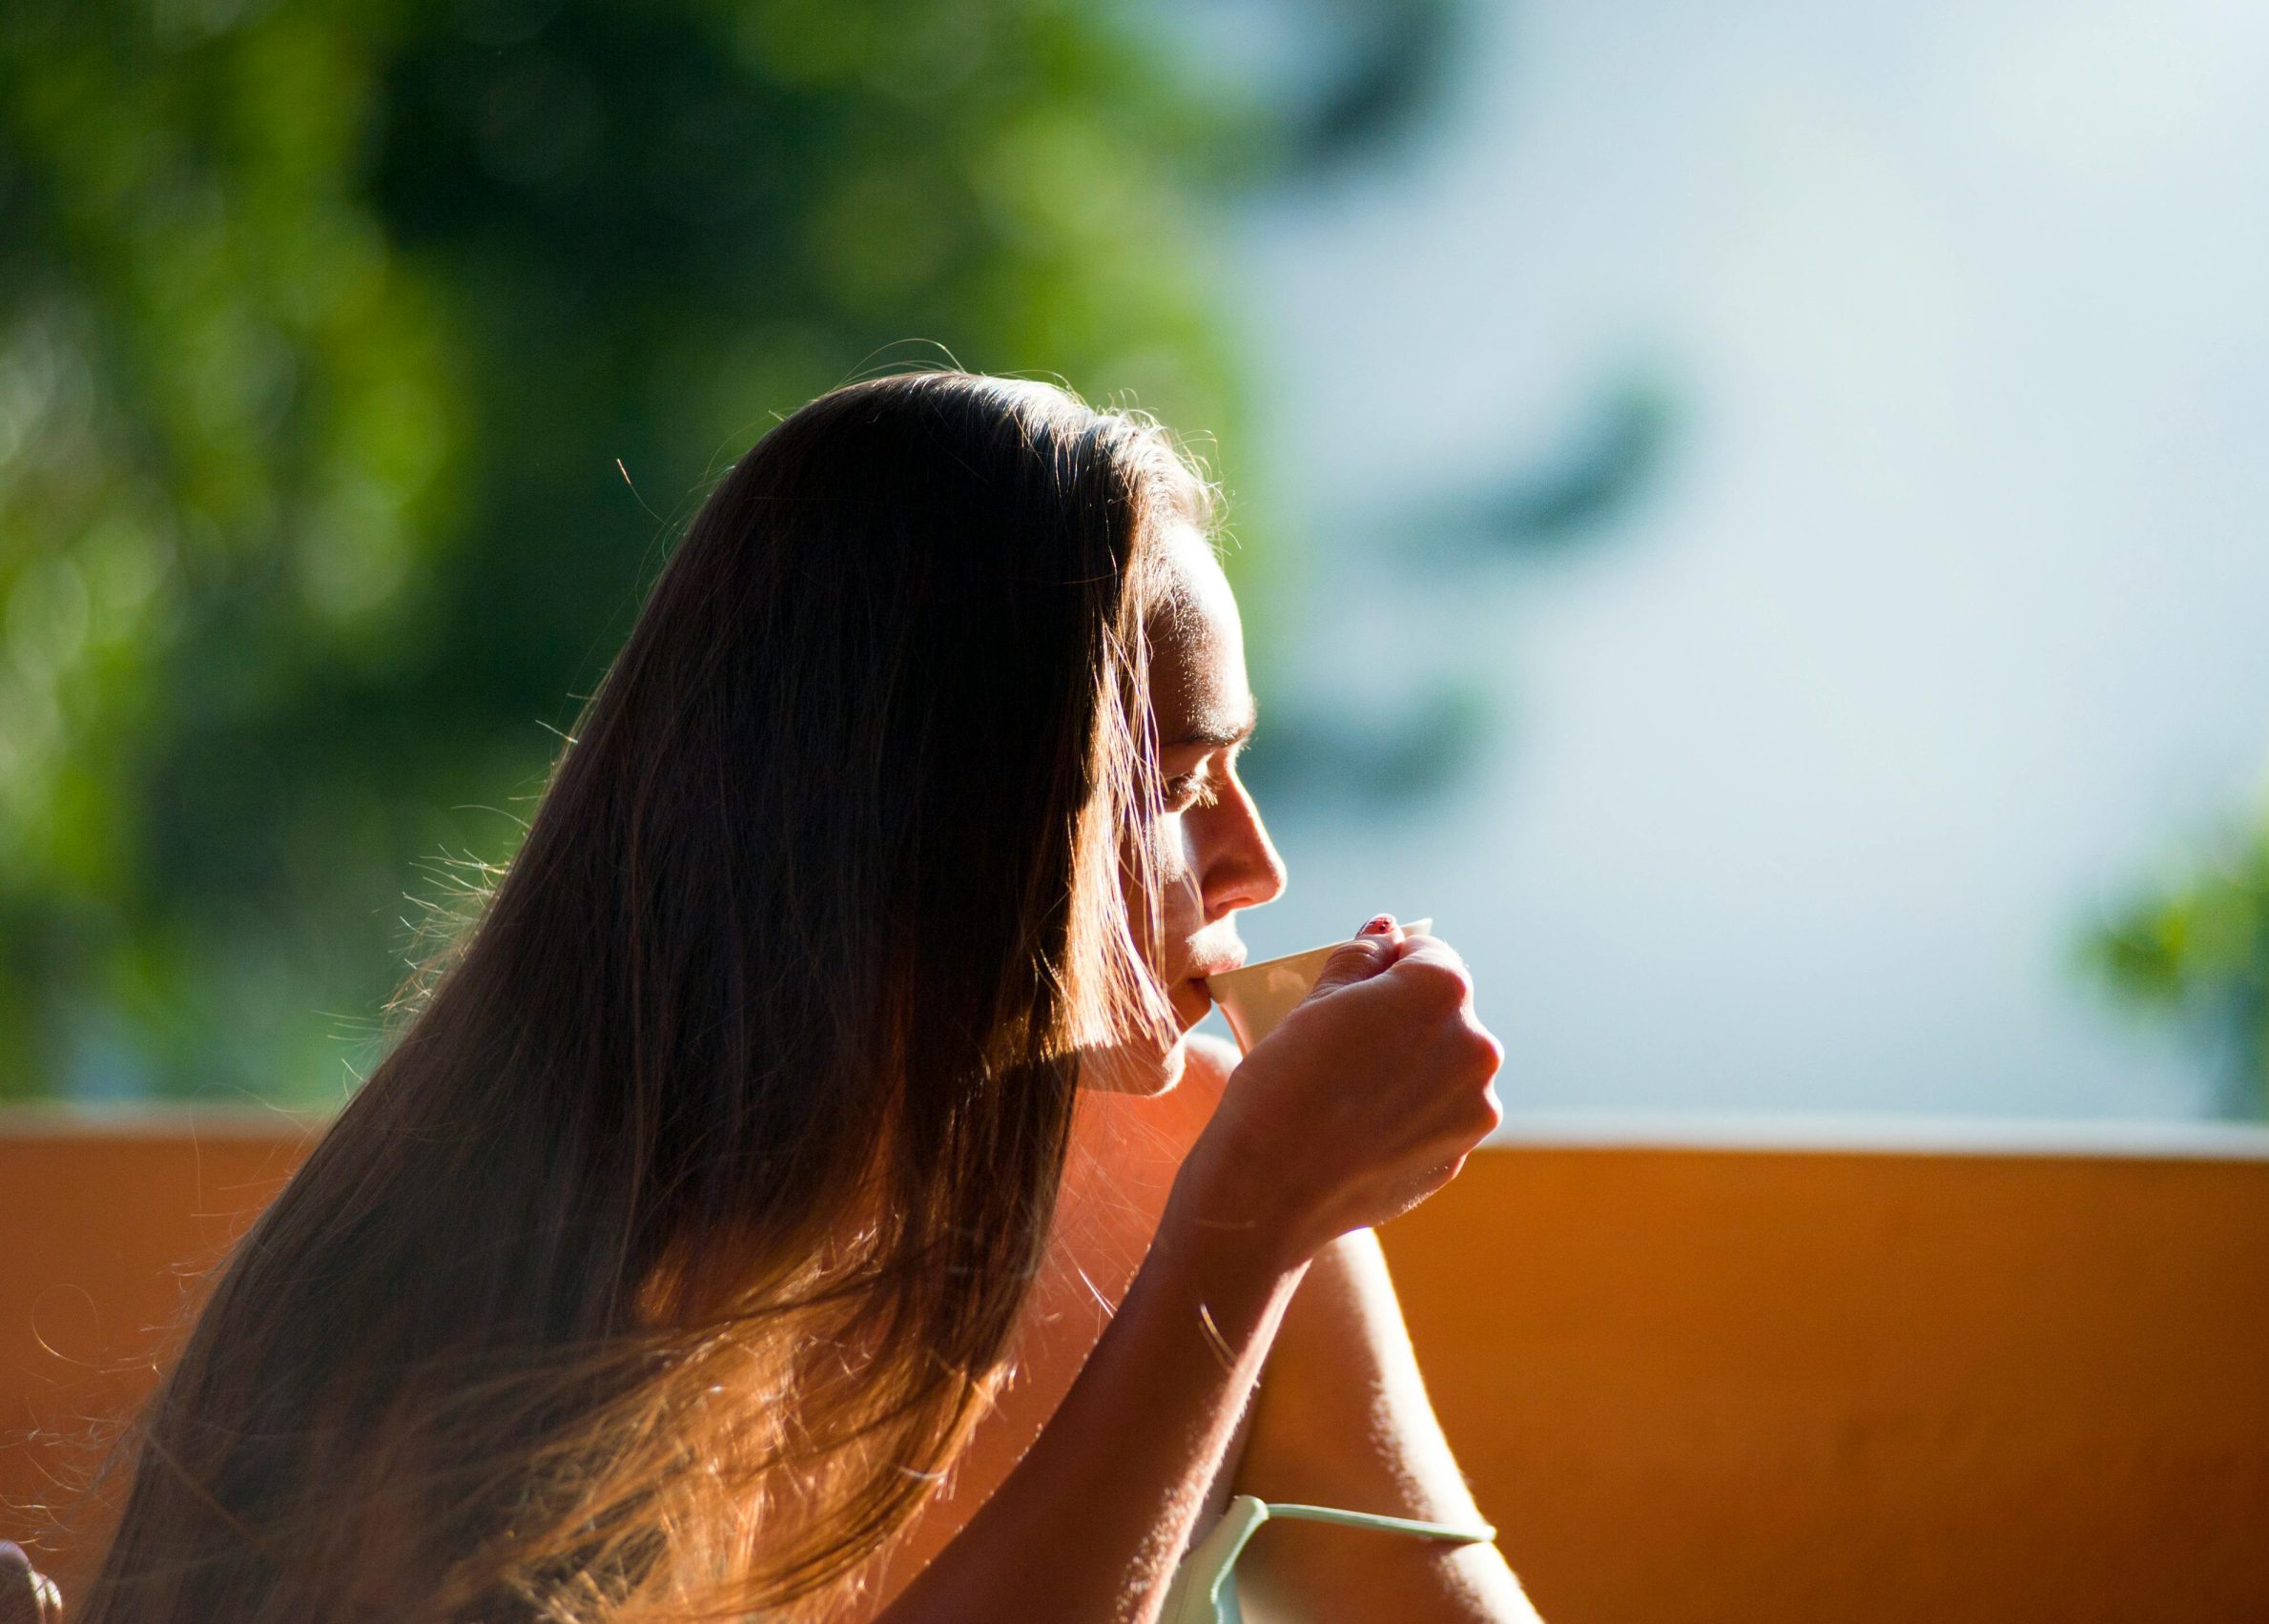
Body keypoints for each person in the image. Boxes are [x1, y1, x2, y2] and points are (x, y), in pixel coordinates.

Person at [81, 371, 1538, 1623]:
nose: (1256, 864)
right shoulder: (486, 1279)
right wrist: (1243, 1234)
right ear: (929, 809)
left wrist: (1260, 1212)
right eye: (1176, 782)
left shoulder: (1209, 1160)